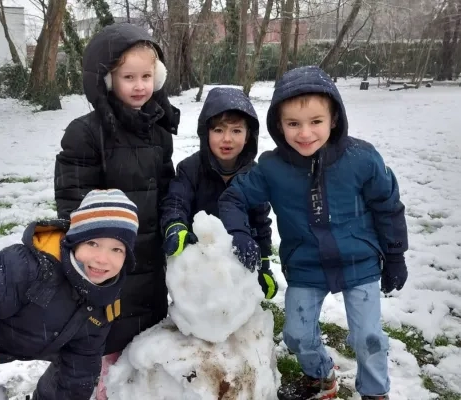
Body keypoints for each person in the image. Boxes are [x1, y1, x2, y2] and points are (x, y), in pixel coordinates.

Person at [218, 66, 408, 400]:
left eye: (315, 122)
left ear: (334, 118)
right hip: (306, 265)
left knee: (369, 338)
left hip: (358, 262)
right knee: (296, 335)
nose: (305, 133)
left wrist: (394, 256)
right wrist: (240, 233)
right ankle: (321, 377)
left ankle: (375, 391)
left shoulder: (361, 159)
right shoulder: (273, 168)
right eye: (293, 124)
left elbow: (388, 205)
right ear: (279, 125)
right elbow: (234, 196)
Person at [53, 23, 179, 399]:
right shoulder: (87, 133)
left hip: (150, 253)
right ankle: (102, 388)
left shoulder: (157, 130)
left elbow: (166, 184)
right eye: (128, 77)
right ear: (106, 80)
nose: (140, 86)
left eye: (146, 76)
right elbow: (73, 200)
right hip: (107, 257)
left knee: (145, 334)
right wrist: (90, 252)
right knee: (106, 332)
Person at [0, 189, 139, 400]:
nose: (102, 259)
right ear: (74, 240)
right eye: (92, 243)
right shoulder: (27, 269)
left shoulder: (102, 300)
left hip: (32, 341)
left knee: (74, 365)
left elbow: (80, 366)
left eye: (116, 249)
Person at [160, 87, 277, 299]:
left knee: (235, 307)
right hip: (199, 252)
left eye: (236, 130)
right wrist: (175, 225)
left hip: (238, 254)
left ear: (248, 135)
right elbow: (176, 201)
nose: (227, 139)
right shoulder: (190, 168)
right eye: (218, 130)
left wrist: (264, 263)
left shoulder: (255, 174)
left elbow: (261, 221)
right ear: (206, 132)